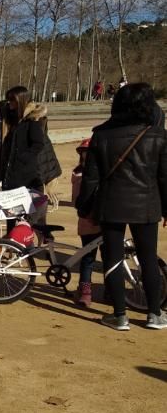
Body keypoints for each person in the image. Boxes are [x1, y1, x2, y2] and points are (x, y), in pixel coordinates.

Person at [76, 82, 167, 330]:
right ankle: (155, 314)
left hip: (110, 204)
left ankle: (119, 315)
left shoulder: (101, 135)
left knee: (113, 260)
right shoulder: (158, 135)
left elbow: (90, 178)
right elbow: (164, 177)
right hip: (147, 204)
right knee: (148, 259)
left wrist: (84, 207)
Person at [70, 139, 102, 308]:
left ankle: (107, 290)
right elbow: (76, 201)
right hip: (89, 221)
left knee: (105, 257)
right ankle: (86, 293)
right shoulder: (79, 175)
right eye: (84, 153)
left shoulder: (81, 174)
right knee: (88, 258)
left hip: (99, 221)